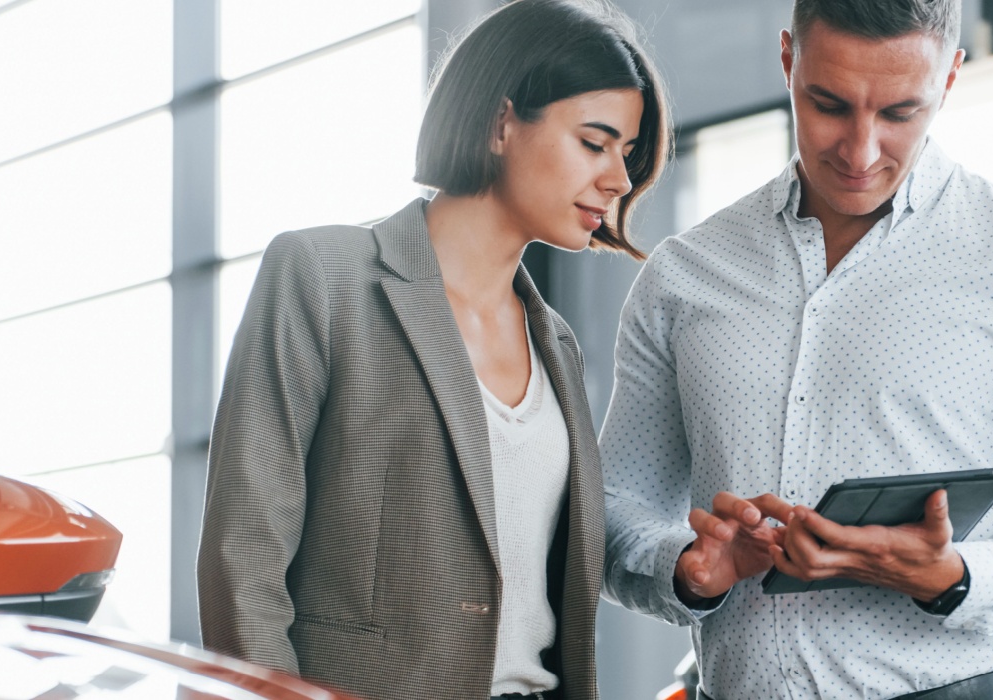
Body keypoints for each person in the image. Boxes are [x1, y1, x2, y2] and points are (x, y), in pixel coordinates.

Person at [600, 0, 993, 698]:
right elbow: (614, 508)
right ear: (789, 59)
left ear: (949, 79)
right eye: (828, 105)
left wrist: (957, 575)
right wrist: (684, 565)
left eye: (898, 113)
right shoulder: (683, 275)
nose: (859, 152)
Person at [197, 2, 669, 698]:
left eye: (626, 155)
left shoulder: (556, 345)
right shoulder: (323, 279)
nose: (619, 181)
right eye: (595, 144)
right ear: (504, 122)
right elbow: (244, 560)